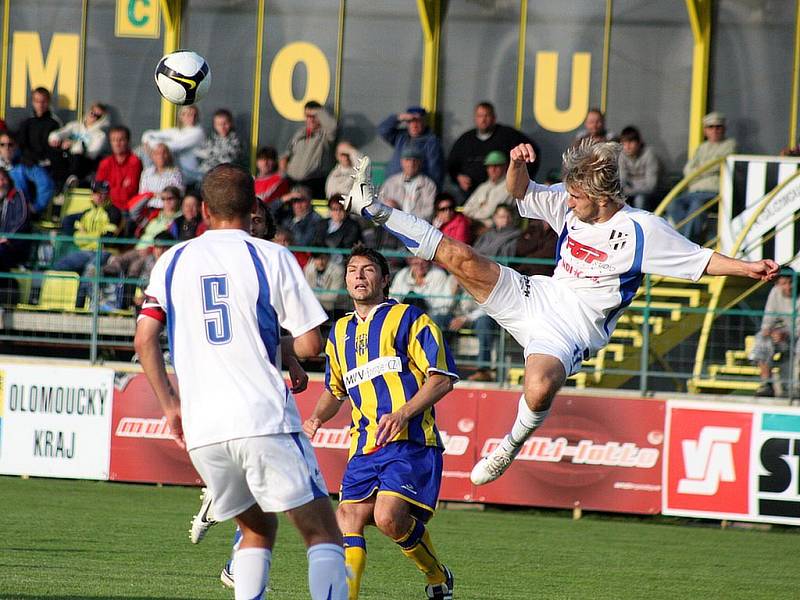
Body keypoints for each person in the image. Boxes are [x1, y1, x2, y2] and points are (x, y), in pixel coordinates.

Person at [342, 142, 779, 487]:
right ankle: (372, 207)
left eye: (574, 196)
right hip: (537, 295)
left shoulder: (641, 230)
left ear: (601, 196)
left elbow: (700, 260)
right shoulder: (567, 202)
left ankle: (509, 445)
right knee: (460, 256)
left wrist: (748, 266)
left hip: (572, 328)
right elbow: (520, 193)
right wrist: (518, 164)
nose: (566, 203)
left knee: (540, 386)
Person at [134, 163, 348, 600]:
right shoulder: (269, 256)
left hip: (204, 430)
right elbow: (309, 346)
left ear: (204, 210)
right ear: (253, 207)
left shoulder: (171, 261)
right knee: (323, 532)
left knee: (256, 528)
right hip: (261, 416)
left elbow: (144, 338)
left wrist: (170, 405)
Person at [303, 246, 457, 600]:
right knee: (348, 517)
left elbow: (442, 378)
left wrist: (403, 412)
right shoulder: (339, 332)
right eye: (353, 270)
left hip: (411, 441)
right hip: (364, 446)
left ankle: (437, 576)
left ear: (385, 279)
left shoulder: (409, 319)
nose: (358, 276)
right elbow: (334, 390)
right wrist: (316, 417)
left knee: (388, 517)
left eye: (368, 269)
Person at [667, 111, 736, 241]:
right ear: (705, 131)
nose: (715, 130)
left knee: (696, 206)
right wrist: (706, 168)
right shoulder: (702, 147)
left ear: (724, 129)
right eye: (711, 127)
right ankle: (684, 239)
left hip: (713, 192)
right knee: (673, 204)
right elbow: (688, 170)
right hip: (694, 191)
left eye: (718, 127)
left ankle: (689, 241)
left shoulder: (730, 144)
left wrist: (699, 169)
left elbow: (716, 165)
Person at [447, 102, 538, 198]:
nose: (483, 120)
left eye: (487, 115)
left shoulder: (507, 135)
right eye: (480, 116)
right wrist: (458, 177)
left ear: (494, 118)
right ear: (475, 118)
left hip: (502, 195)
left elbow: (531, 154)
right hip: (471, 197)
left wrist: (519, 181)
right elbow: (451, 165)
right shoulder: (465, 140)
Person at [749, 269, 799, 398]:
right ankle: (766, 384)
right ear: (777, 284)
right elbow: (768, 320)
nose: (788, 287)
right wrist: (771, 331)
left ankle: (796, 387)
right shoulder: (775, 293)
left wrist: (787, 333)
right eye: (783, 283)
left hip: (795, 335)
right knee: (762, 339)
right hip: (783, 335)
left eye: (790, 282)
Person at [280, 101, 337, 198]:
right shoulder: (300, 133)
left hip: (314, 184)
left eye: (313, 116)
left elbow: (333, 127)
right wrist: (284, 174)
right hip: (292, 183)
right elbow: (286, 155)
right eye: (307, 116)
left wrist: (319, 112)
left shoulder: (325, 134)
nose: (310, 119)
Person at [47, 101, 110, 188]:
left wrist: (73, 144)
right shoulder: (75, 125)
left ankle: (65, 183)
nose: (92, 116)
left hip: (83, 162)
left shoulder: (100, 135)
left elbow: (92, 154)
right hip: (67, 158)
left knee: (77, 151)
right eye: (92, 112)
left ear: (102, 119)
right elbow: (60, 133)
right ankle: (67, 180)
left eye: (97, 116)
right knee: (53, 151)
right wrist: (56, 140)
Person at [379, 106, 444, 188]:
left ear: (424, 122)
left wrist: (430, 190)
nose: (414, 125)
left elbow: (435, 170)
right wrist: (399, 117)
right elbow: (382, 130)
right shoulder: (401, 136)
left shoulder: (432, 142)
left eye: (418, 121)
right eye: (411, 121)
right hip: (394, 185)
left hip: (416, 189)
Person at [141, 105, 205, 185]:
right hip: (176, 173)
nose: (191, 118)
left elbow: (175, 146)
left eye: (194, 115)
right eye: (188, 114)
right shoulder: (177, 132)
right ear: (181, 116)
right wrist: (148, 143)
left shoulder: (198, 133)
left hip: (191, 176)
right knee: (143, 150)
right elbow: (147, 134)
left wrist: (150, 145)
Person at [389, 257, 454, 333]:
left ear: (428, 261)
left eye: (423, 261)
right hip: (404, 315)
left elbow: (442, 306)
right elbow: (394, 298)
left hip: (428, 317)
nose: (420, 265)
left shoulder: (438, 274)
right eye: (416, 262)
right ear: (409, 261)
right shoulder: (402, 274)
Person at [0, 131, 55, 215]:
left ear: (16, 146)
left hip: (17, 213)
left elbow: (46, 183)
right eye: (2, 145)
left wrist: (36, 207)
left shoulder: (25, 164)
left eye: (10, 144)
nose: (6, 148)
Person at [378, 145, 437, 221]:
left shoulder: (428, 185)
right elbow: (379, 205)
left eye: (415, 160)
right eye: (408, 160)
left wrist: (410, 221)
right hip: (393, 224)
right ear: (402, 162)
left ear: (420, 163)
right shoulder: (390, 183)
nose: (411, 164)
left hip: (417, 226)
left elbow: (429, 211)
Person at [461, 150, 513, 230]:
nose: (493, 170)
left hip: (494, 229)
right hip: (475, 226)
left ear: (505, 167)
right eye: (490, 166)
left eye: (496, 166)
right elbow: (466, 209)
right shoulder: (483, 187)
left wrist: (473, 213)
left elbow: (489, 212)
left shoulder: (509, 187)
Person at [95, 126, 143, 211]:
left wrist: (108, 191)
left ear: (128, 142)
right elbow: (98, 190)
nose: (117, 144)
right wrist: (119, 189)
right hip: (104, 207)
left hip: (125, 209)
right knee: (69, 219)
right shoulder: (105, 163)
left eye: (121, 140)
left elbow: (129, 193)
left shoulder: (134, 162)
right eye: (113, 140)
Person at [15, 87, 62, 168]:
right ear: (33, 102)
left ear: (48, 102)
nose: (40, 105)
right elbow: (22, 144)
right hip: (28, 163)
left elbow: (57, 148)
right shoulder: (26, 122)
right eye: (37, 101)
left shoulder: (55, 123)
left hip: (47, 164)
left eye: (43, 101)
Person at [618, 126, 660, 210]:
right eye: (624, 143)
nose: (627, 146)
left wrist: (629, 190)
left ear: (639, 142)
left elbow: (651, 186)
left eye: (631, 142)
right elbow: (622, 180)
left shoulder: (649, 154)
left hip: (650, 195)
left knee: (639, 199)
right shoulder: (621, 155)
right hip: (630, 193)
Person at [0, 167, 31, 272]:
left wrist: (8, 237)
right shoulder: (2, 200)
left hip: (15, 245)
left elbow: (22, 220)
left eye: (3, 179)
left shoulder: (17, 195)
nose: (1, 183)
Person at [196, 108, 245, 174]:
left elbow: (229, 160)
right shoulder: (209, 139)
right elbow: (198, 154)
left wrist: (211, 154)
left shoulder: (237, 140)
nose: (222, 127)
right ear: (214, 125)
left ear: (231, 123)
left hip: (227, 176)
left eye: (225, 123)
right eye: (219, 124)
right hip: (206, 175)